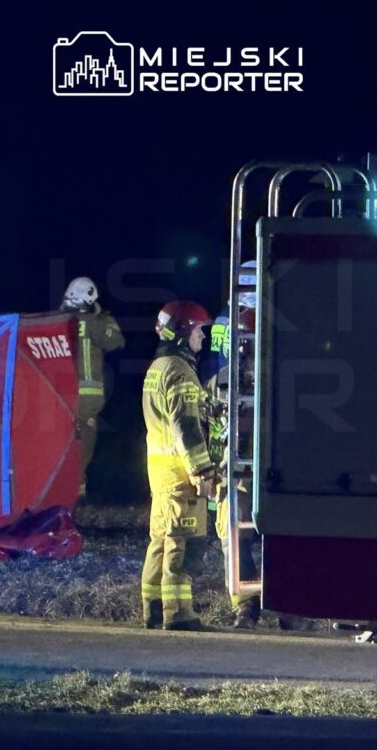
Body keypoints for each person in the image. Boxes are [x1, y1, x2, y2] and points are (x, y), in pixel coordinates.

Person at [141, 300, 215, 632]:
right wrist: (202, 472)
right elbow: (186, 427)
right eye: (200, 330)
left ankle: (153, 608)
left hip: (161, 475)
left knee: (160, 541)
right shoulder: (181, 372)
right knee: (183, 545)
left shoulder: (157, 367)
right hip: (181, 476)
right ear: (184, 331)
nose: (203, 337)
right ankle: (178, 613)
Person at [200, 262, 261, 629]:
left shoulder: (275, 382)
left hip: (258, 458)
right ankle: (247, 606)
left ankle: (277, 607)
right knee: (234, 535)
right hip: (235, 459)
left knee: (252, 533)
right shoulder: (221, 380)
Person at [59, 277, 125, 500]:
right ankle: (73, 491)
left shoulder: (63, 320)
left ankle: (73, 491)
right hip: (81, 396)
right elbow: (115, 341)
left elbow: (115, 341)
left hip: (69, 396)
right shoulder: (91, 321)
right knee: (81, 442)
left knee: (77, 443)